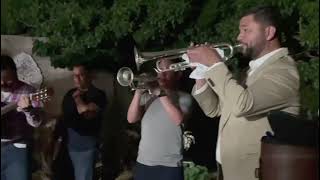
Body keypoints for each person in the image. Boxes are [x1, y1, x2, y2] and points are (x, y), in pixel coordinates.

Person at [187, 5, 300, 180]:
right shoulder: (250, 71)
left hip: (255, 171)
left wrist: (215, 64)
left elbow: (243, 105)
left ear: (269, 32)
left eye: (246, 30)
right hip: (228, 167)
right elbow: (214, 109)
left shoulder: (283, 71)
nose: (239, 37)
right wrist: (201, 72)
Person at [127, 59, 193, 180]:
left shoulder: (184, 97)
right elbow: (131, 119)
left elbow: (178, 120)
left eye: (166, 72)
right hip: (143, 162)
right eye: (159, 71)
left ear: (178, 75)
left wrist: (160, 92)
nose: (161, 76)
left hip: (170, 165)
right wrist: (138, 92)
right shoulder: (148, 97)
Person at [61, 64, 107, 180]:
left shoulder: (98, 94)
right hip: (67, 144)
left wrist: (77, 98)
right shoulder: (68, 94)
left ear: (89, 76)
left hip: (85, 147)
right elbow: (64, 118)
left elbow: (86, 113)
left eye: (80, 75)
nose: (76, 78)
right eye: (74, 75)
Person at [1, 55, 43, 180]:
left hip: (17, 148)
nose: (3, 83)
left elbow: (37, 123)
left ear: (15, 74)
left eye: (7, 80)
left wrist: (28, 110)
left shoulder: (28, 92)